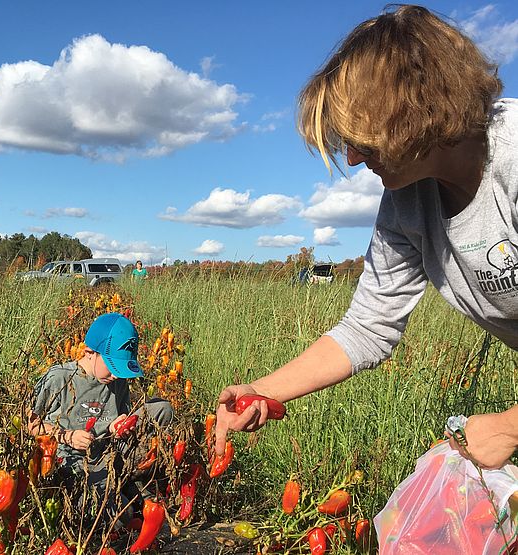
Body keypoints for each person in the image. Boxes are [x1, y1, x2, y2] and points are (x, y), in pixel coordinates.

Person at [214, 5, 517, 471]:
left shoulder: (512, 157)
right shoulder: (407, 204)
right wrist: (264, 391)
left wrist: (508, 428)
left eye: (363, 140)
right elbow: (368, 327)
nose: (353, 159)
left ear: (414, 110)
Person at [27, 312, 172, 526]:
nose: (116, 376)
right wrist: (67, 436)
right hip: (74, 457)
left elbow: (122, 415)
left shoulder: (117, 380)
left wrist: (119, 424)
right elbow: (31, 423)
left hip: (109, 448)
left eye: (120, 370)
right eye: (112, 367)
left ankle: (138, 481)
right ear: (89, 353)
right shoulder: (59, 377)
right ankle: (123, 492)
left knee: (162, 408)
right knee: (120, 516)